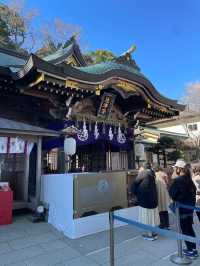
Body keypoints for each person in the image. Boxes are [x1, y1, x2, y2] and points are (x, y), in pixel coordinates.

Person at [169, 159, 198, 258]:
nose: (174, 170)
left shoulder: (178, 180)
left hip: (182, 210)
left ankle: (191, 251)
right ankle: (192, 248)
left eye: (175, 168)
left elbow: (172, 194)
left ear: (178, 169)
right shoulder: (188, 179)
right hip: (190, 209)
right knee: (189, 229)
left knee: (185, 230)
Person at [131, 162, 159, 241]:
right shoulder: (152, 174)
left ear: (142, 167)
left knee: (147, 218)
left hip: (145, 201)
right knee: (152, 218)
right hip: (153, 200)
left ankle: (149, 235)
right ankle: (154, 233)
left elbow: (134, 184)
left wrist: (135, 193)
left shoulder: (143, 173)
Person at [153, 165, 170, 229]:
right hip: (164, 193)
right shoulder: (164, 174)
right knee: (165, 209)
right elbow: (167, 183)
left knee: (160, 209)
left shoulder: (154, 175)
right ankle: (167, 225)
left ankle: (162, 224)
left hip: (158, 193)